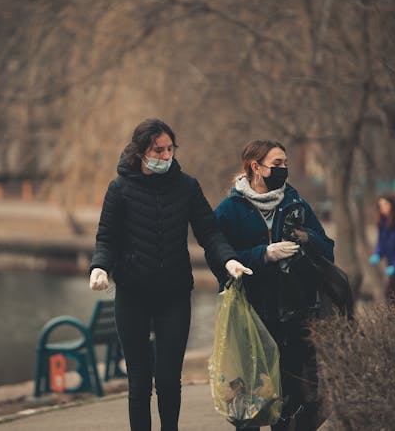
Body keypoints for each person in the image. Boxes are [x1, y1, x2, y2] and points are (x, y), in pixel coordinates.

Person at [89, 118, 251, 431]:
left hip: (173, 296)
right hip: (132, 295)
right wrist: (100, 267)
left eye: (169, 149)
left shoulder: (187, 186)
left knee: (167, 378)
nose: (165, 156)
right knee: (138, 380)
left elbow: (210, 233)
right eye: (158, 150)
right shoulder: (120, 189)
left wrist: (228, 260)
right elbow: (106, 238)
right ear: (140, 153)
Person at [211, 140, 335, 431]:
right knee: (249, 399)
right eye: (277, 164)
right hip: (250, 316)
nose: (283, 169)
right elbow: (219, 260)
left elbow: (328, 250)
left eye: (285, 164)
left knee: (292, 399)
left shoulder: (295, 203)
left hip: (294, 313)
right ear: (256, 167)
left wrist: (309, 239)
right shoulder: (229, 210)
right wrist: (263, 255)